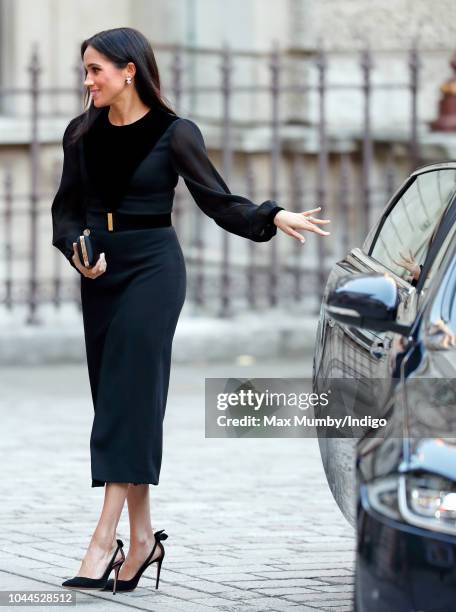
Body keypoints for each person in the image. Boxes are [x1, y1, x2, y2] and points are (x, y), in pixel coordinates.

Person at [52, 27, 331, 595]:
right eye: (85, 71)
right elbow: (66, 211)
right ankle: (144, 540)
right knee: (122, 400)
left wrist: (272, 216)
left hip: (154, 271)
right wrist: (77, 252)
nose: (88, 81)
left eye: (96, 70)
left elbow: (216, 198)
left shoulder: (176, 133)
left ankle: (103, 541)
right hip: (102, 274)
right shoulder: (80, 132)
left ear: (130, 70)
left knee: (127, 395)